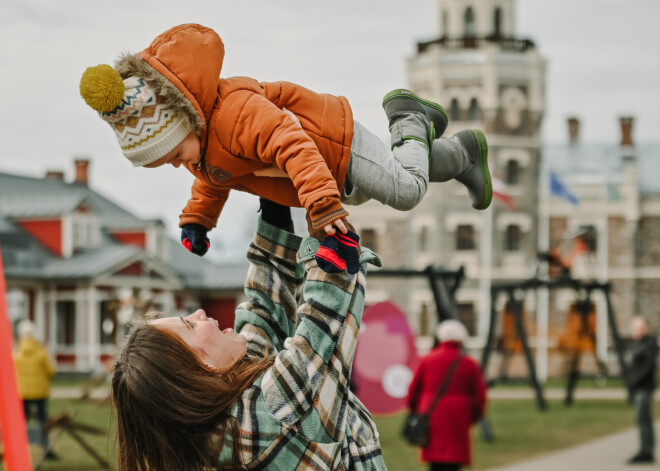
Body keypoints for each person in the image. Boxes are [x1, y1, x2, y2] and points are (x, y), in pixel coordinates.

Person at [79, 23, 492, 258]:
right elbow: (212, 177)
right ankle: (463, 154)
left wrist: (321, 202)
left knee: (404, 190)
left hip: (334, 144)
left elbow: (293, 143)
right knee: (392, 175)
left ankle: (409, 119)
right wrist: (197, 219)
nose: (175, 164)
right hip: (323, 179)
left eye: (170, 155)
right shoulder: (197, 148)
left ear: (184, 120)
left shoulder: (236, 113)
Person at [110, 199, 387, 470]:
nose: (200, 314)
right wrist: (322, 204)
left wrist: (272, 201)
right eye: (190, 325)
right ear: (195, 372)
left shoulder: (228, 414)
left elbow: (265, 311)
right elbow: (326, 318)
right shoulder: (271, 417)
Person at [406, 320, 487, 471]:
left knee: (434, 459)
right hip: (459, 415)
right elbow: (480, 397)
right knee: (453, 460)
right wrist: (473, 416)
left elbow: (413, 390)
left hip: (431, 414)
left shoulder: (426, 360)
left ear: (441, 337)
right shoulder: (469, 364)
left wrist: (414, 411)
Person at [13, 319, 57, 459]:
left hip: (22, 393)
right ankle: (45, 449)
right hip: (40, 392)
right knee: (43, 421)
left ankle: (19, 449)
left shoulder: (16, 353)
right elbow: (51, 371)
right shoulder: (41, 352)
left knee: (21, 423)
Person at [627, 315, 658, 464]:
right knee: (643, 419)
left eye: (639, 327)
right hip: (638, 388)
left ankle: (646, 451)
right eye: (634, 328)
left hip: (644, 388)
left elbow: (647, 368)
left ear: (645, 328)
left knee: (643, 419)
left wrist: (633, 381)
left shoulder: (649, 344)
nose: (636, 330)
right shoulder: (637, 344)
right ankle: (646, 449)